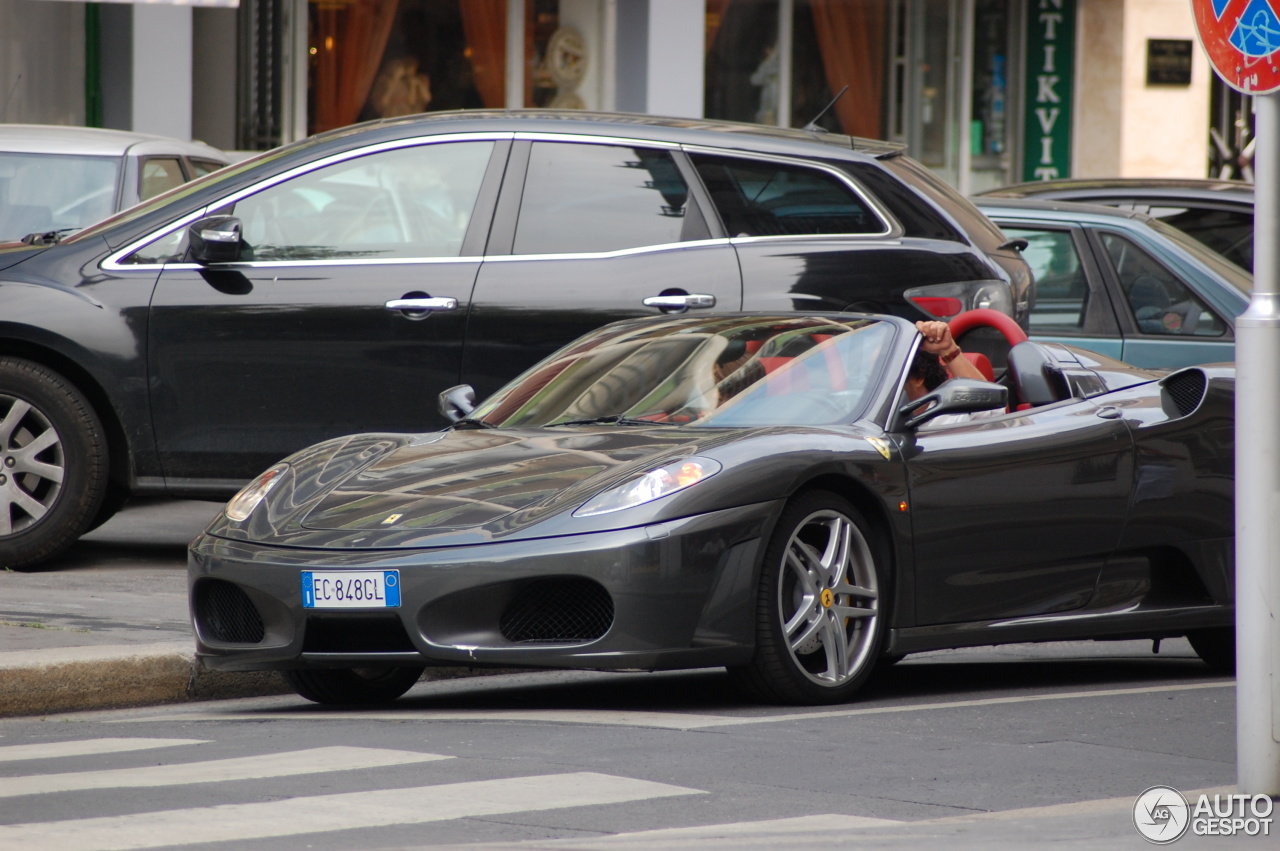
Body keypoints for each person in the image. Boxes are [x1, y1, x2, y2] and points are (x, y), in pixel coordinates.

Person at [904, 320, 1002, 425]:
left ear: (918, 378)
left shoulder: (946, 421)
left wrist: (948, 349)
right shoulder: (887, 420)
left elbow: (990, 412)